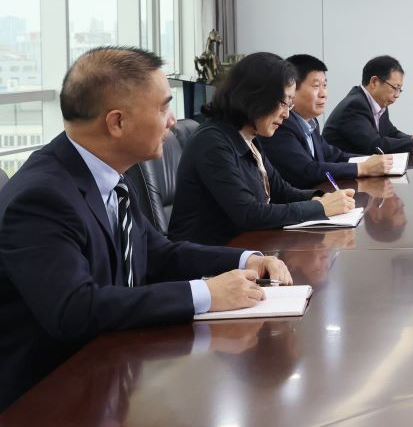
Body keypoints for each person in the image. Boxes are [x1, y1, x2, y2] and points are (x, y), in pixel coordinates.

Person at [0, 47, 292, 409]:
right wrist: (206, 294)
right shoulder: (42, 196)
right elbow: (74, 310)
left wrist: (245, 260)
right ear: (117, 123)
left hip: (111, 370)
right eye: (163, 108)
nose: (173, 120)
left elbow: (157, 253)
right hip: (48, 396)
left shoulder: (109, 175)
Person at [168, 53, 355, 246]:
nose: (286, 114)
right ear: (256, 96)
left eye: (290, 104)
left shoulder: (249, 137)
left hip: (243, 248)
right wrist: (319, 207)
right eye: (283, 103)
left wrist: (321, 197)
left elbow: (281, 191)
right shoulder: (212, 142)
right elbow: (249, 214)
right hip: (207, 256)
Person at [259, 54, 395, 188]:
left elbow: (333, 155)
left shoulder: (311, 122)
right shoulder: (281, 124)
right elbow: (307, 170)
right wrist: (362, 168)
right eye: (316, 86)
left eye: (324, 85)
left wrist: (370, 161)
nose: (323, 93)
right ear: (292, 89)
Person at [324, 55, 413, 155]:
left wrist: (411, 138)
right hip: (337, 175)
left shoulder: (378, 103)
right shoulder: (354, 106)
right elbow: (375, 146)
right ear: (374, 82)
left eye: (399, 89)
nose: (397, 95)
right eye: (394, 88)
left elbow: (391, 132)